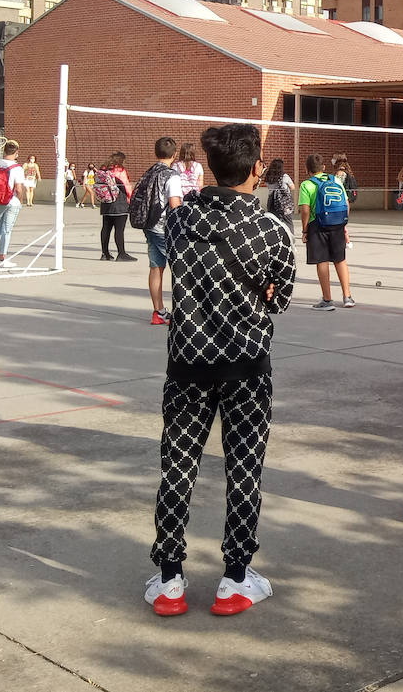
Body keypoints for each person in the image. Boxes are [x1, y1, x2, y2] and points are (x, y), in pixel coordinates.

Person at [145, 122, 296, 618]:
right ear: (257, 170)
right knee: (245, 467)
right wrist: (258, 295)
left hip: (188, 362)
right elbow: (282, 297)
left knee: (178, 466)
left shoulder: (183, 220)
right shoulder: (271, 229)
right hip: (246, 366)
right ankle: (235, 577)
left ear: (211, 167)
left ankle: (169, 577)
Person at [298, 153, 354, 310]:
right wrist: (343, 224)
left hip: (318, 225)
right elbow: (346, 203)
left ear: (307, 169)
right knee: (340, 259)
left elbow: (305, 210)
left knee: (322, 261)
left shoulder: (306, 185)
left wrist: (305, 230)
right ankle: (347, 296)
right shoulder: (335, 180)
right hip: (337, 223)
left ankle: (327, 300)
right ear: (323, 167)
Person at [142, 137, 184, 326]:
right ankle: (181, 311)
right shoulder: (171, 175)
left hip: (149, 225)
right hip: (165, 227)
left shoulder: (150, 172)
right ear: (174, 155)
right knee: (180, 268)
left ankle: (158, 311)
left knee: (156, 267)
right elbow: (174, 204)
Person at [0, 141, 26, 268]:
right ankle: (2, 257)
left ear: (4, 151)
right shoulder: (17, 168)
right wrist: (20, 201)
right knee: (7, 229)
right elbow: (19, 188)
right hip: (12, 200)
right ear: (16, 153)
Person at [98, 153, 135, 261]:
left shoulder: (104, 170)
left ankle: (105, 253)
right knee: (119, 229)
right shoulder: (120, 170)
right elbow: (127, 187)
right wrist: (131, 199)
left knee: (106, 228)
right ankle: (121, 253)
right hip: (119, 203)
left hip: (106, 202)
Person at [262, 158, 296, 235]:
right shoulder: (284, 176)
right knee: (288, 220)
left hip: (271, 201)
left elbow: (268, 187)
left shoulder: (268, 177)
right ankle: (290, 238)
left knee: (273, 220)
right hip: (284, 202)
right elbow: (292, 187)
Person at [333, 154, 358, 250]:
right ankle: (346, 241)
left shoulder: (340, 173)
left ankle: (347, 241)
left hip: (340, 200)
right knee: (341, 222)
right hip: (345, 200)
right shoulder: (348, 172)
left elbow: (336, 186)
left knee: (340, 222)